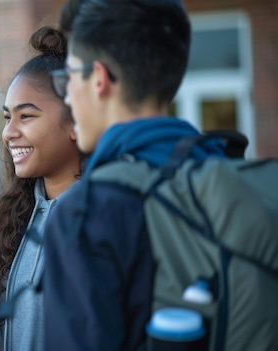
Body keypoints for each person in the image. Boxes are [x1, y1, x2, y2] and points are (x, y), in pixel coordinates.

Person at [43, 0, 227, 349]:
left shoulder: (88, 211)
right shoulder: (235, 177)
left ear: (97, 79)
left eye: (67, 78)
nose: (67, 95)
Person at [0, 26, 83, 351]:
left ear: (77, 122)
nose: (8, 133)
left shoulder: (108, 221)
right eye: (6, 118)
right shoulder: (21, 220)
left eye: (26, 116)